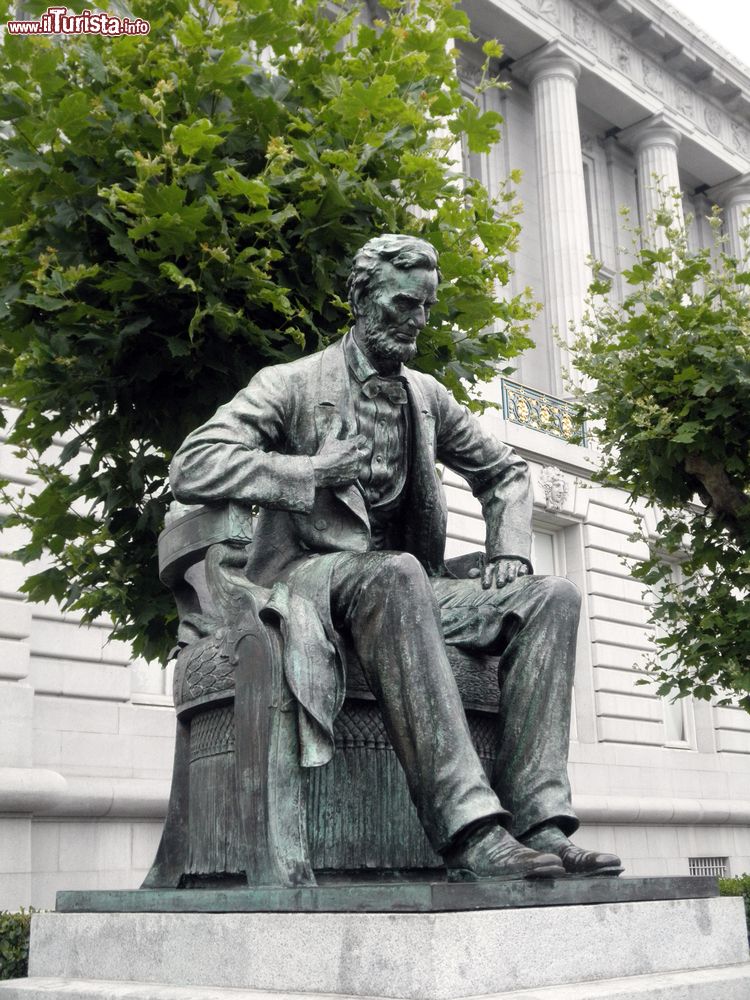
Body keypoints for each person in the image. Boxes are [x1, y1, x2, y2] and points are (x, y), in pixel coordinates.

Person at [170, 233, 622, 881]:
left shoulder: (427, 396)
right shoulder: (293, 384)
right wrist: (308, 471)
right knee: (399, 574)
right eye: (403, 305)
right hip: (313, 580)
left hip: (406, 587)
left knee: (552, 596)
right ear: (360, 298)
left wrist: (511, 555)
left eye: (426, 308)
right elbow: (195, 463)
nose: (417, 321)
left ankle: (541, 821)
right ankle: (469, 829)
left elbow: (506, 475)